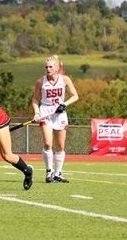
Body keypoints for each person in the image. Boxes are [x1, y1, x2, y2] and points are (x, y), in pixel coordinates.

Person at [32, 54, 79, 183]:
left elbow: (75, 96)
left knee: (60, 145)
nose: (48, 69)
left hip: (59, 113)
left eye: (51, 67)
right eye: (46, 67)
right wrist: (36, 112)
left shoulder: (65, 80)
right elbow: (35, 99)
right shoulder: (40, 82)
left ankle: (58, 173)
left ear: (57, 68)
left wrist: (64, 104)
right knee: (48, 143)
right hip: (45, 112)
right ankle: (49, 172)